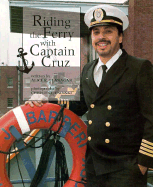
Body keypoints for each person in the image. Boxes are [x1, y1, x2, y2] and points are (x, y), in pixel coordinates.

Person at [25, 4, 153, 187]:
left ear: (120, 36)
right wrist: (47, 99)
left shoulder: (139, 68)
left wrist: (143, 163)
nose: (101, 37)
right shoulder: (89, 69)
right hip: (94, 165)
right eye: (96, 32)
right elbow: (80, 103)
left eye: (108, 31)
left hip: (126, 166)